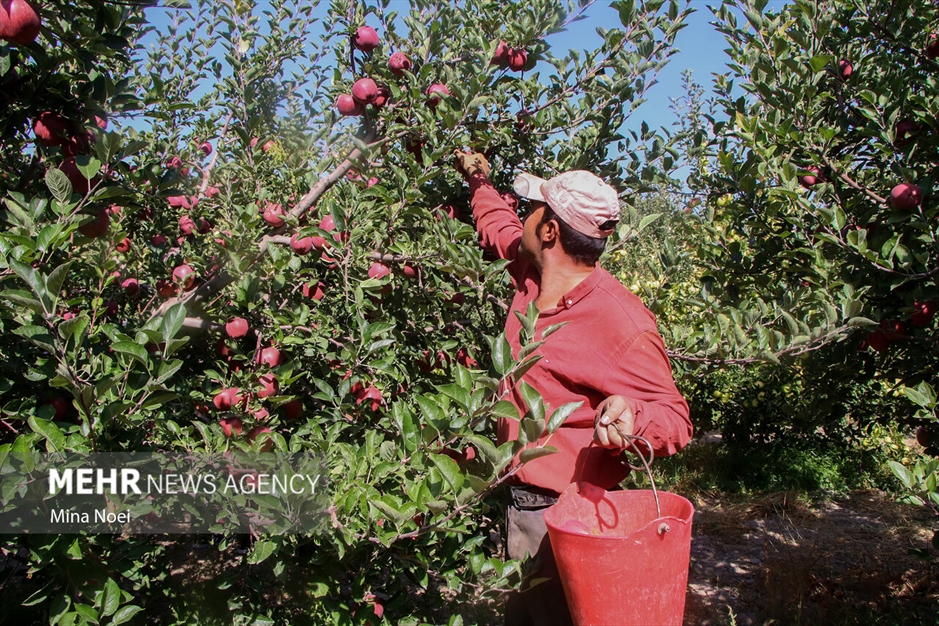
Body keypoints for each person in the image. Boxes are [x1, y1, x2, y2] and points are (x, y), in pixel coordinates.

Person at [452, 151, 693, 626]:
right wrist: (479, 180)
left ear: (549, 231)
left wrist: (634, 417)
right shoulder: (531, 275)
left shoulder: (618, 323)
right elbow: (500, 228)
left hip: (568, 518)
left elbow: (676, 419)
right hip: (522, 503)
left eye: (534, 207)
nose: (524, 214)